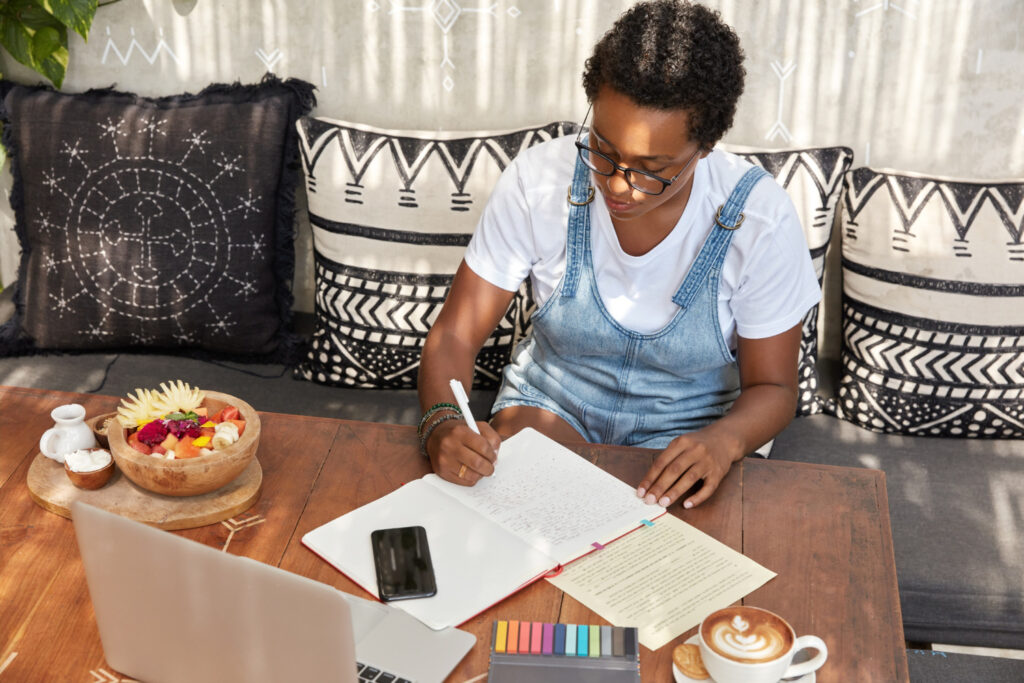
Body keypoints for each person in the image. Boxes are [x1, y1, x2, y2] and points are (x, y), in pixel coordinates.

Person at [416, 0, 820, 509]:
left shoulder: (758, 218)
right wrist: (443, 422)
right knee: (517, 519)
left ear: (707, 145)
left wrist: (725, 440)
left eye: (653, 168)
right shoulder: (539, 181)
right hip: (553, 407)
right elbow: (455, 333)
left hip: (690, 432)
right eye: (603, 149)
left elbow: (774, 387)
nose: (618, 185)